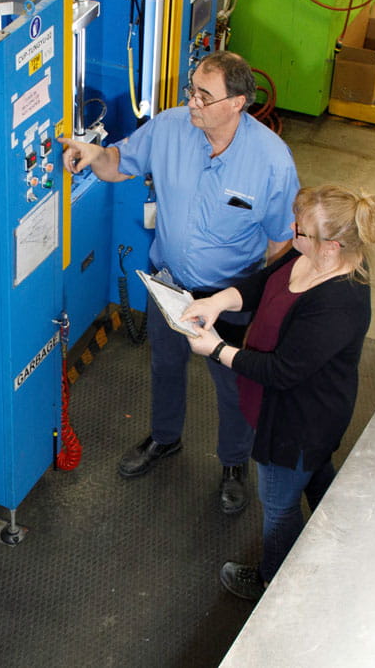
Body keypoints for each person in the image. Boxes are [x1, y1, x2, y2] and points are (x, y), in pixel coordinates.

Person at [60, 51, 297, 514]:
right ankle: (165, 438)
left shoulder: (271, 162)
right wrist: (93, 156)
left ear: (238, 103)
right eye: (192, 90)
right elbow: (119, 163)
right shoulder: (169, 128)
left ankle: (232, 465)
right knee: (165, 367)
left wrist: (257, 306)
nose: (192, 102)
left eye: (204, 96)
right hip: (169, 284)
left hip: (230, 296)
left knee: (232, 384)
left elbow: (281, 244)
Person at [178, 185, 375, 600]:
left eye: (301, 230)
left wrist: (216, 349)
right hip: (280, 406)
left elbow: (284, 371)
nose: (292, 231)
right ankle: (338, 545)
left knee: (280, 506)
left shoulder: (341, 301)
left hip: (295, 424)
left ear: (331, 246)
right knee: (317, 478)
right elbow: (262, 282)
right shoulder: (306, 254)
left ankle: (276, 583)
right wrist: (217, 303)